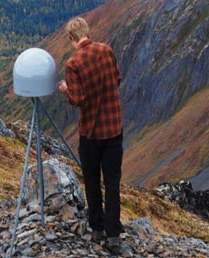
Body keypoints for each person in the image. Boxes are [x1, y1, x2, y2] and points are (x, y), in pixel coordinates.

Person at [58, 17, 123, 254]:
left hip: (92, 132)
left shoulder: (73, 63)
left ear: (72, 38)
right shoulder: (107, 50)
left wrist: (66, 90)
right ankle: (114, 235)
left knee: (93, 181)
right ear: (87, 31)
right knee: (113, 182)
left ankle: (97, 229)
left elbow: (79, 100)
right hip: (114, 128)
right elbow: (117, 79)